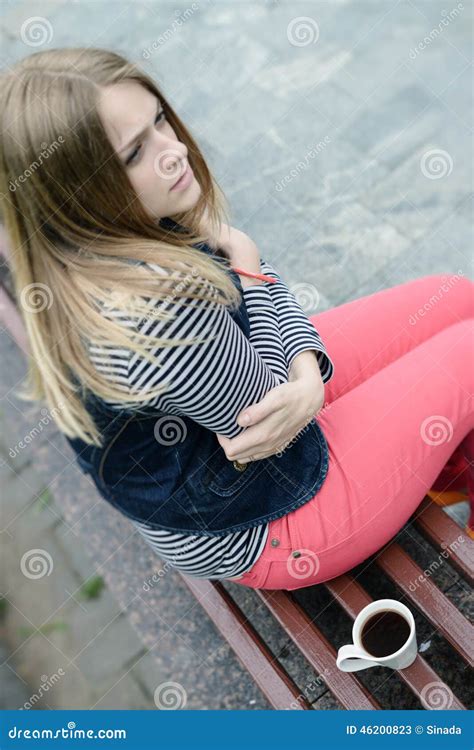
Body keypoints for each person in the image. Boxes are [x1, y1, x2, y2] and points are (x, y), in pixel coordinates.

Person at [1, 47, 472, 592]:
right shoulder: (152, 309)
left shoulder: (94, 244)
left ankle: (439, 474)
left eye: (158, 120)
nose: (174, 149)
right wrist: (249, 269)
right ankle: (431, 469)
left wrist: (298, 363)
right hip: (270, 518)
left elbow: (269, 348)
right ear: (77, 197)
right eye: (134, 153)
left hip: (244, 428)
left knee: (454, 298)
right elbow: (279, 419)